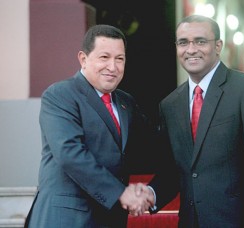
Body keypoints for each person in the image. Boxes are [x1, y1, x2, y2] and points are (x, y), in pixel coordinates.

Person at [142, 15, 244, 227]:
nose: (191, 49)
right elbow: (177, 172)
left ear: (218, 46)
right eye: (183, 42)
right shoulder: (169, 105)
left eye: (200, 41)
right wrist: (150, 194)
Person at [24, 24, 154, 228]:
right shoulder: (60, 94)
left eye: (119, 59)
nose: (113, 67)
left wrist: (149, 192)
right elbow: (69, 153)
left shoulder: (125, 102)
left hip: (109, 219)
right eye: (104, 57)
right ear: (83, 59)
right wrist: (120, 193)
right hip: (65, 219)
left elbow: (149, 147)